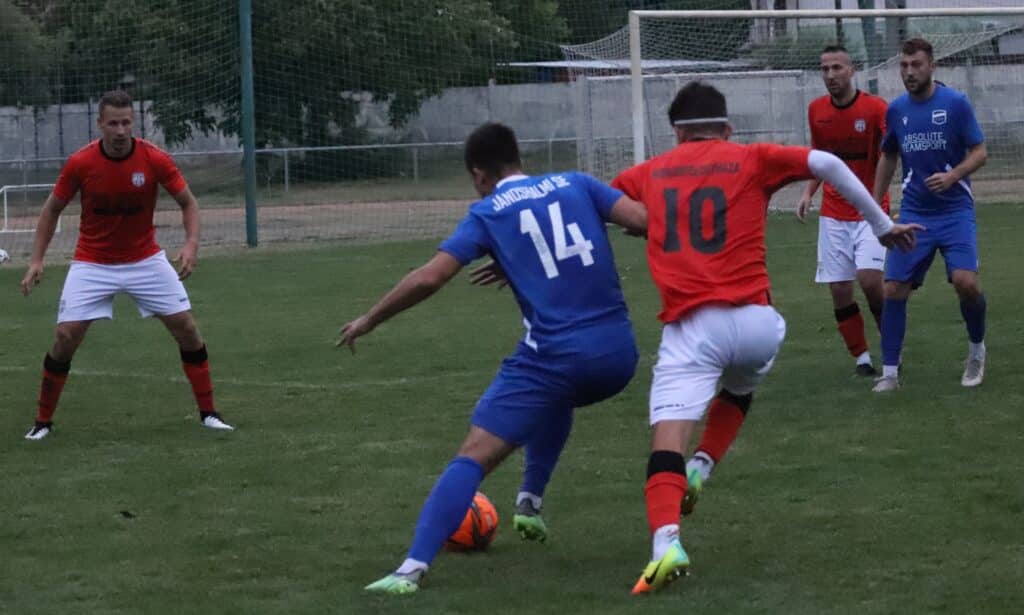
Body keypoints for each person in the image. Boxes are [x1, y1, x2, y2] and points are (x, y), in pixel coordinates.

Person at [610, 82, 920, 594]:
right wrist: (881, 224)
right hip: (757, 322)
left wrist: (642, 221)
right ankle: (703, 465)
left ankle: (665, 543)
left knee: (667, 437)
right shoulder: (752, 157)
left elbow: (604, 204)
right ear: (727, 128)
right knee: (739, 387)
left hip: (692, 325)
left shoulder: (651, 170)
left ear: (676, 133)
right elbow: (827, 163)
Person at [340, 122, 647, 595]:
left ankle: (410, 570)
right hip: (619, 355)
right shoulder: (577, 182)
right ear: (518, 157)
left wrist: (369, 319)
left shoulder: (487, 211)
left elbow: (429, 277)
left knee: (473, 455)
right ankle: (529, 502)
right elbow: (642, 221)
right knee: (558, 395)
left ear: (479, 174)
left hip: (560, 357)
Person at [20, 90, 232, 440]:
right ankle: (42, 422)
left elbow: (189, 203)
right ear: (100, 124)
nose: (120, 131)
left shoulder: (154, 158)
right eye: (113, 123)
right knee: (65, 336)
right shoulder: (81, 163)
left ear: (134, 123)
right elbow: (51, 209)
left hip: (145, 260)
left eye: (126, 123)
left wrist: (191, 245)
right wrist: (37, 260)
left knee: (187, 329)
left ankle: (209, 414)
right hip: (92, 262)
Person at [871, 38, 988, 392]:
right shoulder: (896, 110)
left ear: (932, 66)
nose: (909, 72)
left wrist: (953, 176)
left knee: (966, 283)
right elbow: (888, 156)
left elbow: (980, 152)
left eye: (916, 65)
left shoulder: (955, 104)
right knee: (893, 288)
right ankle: (890, 373)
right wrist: (875, 206)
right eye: (904, 66)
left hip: (955, 212)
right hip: (914, 213)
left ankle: (976, 351)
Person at [797, 44, 890, 376]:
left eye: (837, 67)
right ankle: (862, 358)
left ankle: (891, 348)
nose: (830, 74)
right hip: (834, 212)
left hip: (871, 210)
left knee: (870, 281)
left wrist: (877, 200)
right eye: (825, 69)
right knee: (839, 288)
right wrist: (808, 191)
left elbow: (890, 155)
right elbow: (820, 157)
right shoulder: (816, 110)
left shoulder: (875, 108)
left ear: (852, 71)